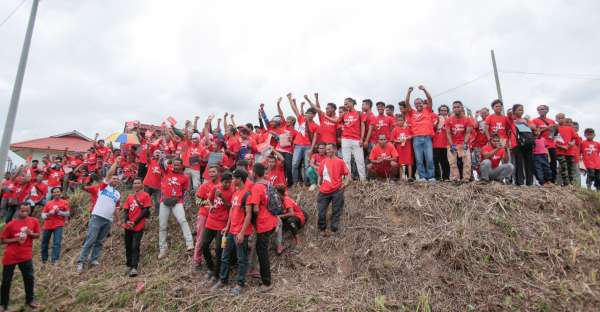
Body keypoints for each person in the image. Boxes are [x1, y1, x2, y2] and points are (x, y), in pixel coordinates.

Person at [77, 158, 122, 273]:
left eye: (117, 179)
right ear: (110, 179)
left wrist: (118, 220)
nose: (115, 180)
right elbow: (109, 173)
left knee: (100, 241)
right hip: (97, 217)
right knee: (91, 239)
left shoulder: (117, 194)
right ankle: (81, 261)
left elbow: (116, 208)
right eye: (114, 178)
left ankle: (93, 260)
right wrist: (116, 163)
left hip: (108, 220)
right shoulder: (103, 187)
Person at [215, 169, 253, 295]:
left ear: (239, 179)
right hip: (231, 231)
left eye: (234, 179)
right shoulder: (236, 192)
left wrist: (242, 233)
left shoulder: (247, 194)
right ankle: (223, 280)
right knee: (224, 256)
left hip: (240, 232)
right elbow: (232, 210)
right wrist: (227, 226)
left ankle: (239, 283)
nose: (232, 181)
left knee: (241, 258)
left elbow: (248, 215)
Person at [0, 203, 41, 311]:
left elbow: (38, 235)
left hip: (26, 255)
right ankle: (3, 304)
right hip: (11, 255)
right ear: (18, 210)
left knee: (29, 278)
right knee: (6, 280)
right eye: (22, 211)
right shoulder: (11, 224)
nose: (25, 213)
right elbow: (2, 240)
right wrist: (16, 240)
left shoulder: (34, 221)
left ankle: (30, 300)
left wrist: (30, 233)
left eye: (27, 211)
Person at [247, 163, 279, 292]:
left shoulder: (257, 187)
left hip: (263, 223)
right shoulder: (268, 183)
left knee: (262, 253)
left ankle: (267, 283)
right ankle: (262, 276)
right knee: (262, 250)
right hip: (272, 221)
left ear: (254, 173)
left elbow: (255, 209)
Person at [158, 158, 194, 259]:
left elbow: (185, 191)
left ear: (182, 166)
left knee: (182, 220)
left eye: (178, 165)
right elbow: (160, 163)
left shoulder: (185, 177)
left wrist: (181, 200)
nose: (176, 166)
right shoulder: (167, 171)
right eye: (174, 164)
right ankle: (162, 249)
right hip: (164, 201)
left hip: (177, 201)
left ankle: (190, 244)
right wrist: (168, 161)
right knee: (162, 225)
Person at [202, 172, 234, 283]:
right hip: (211, 221)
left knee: (219, 249)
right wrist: (210, 206)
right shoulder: (216, 188)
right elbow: (209, 200)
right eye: (226, 182)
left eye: (229, 182)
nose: (228, 184)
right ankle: (210, 268)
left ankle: (217, 274)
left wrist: (222, 197)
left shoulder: (232, 191)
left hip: (222, 223)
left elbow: (230, 207)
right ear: (221, 181)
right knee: (204, 245)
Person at [405, 86, 437, 181]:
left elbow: (430, 99)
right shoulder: (412, 113)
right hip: (416, 138)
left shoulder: (428, 110)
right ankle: (422, 176)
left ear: (423, 104)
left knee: (429, 159)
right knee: (419, 159)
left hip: (427, 138)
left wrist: (424, 90)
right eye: (416, 103)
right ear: (414, 105)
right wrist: (409, 92)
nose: (418, 104)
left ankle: (431, 176)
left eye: (420, 103)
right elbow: (407, 103)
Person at [121, 178, 152, 277]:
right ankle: (128, 264)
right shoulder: (129, 196)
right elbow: (126, 210)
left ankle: (134, 267)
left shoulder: (146, 195)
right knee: (128, 245)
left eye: (138, 183)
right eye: (134, 183)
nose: (136, 184)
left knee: (135, 245)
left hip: (138, 225)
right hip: (128, 225)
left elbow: (145, 211)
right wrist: (127, 221)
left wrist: (134, 222)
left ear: (142, 185)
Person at [317, 143, 350, 234]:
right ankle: (322, 228)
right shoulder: (323, 161)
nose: (327, 151)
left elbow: (347, 174)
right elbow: (320, 174)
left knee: (336, 210)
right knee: (321, 211)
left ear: (334, 150)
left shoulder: (340, 161)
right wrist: (318, 183)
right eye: (326, 149)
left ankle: (333, 229)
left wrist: (345, 183)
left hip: (337, 190)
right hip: (324, 191)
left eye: (329, 149)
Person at [287, 94, 318, 186]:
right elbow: (294, 109)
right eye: (308, 113)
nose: (310, 115)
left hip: (308, 146)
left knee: (306, 165)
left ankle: (306, 183)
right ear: (306, 114)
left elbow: (315, 138)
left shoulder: (315, 125)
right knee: (294, 164)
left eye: (312, 114)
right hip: (298, 145)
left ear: (314, 115)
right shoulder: (301, 119)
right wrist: (289, 99)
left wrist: (312, 149)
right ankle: (295, 183)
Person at [194, 165, 220, 268]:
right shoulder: (204, 186)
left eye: (213, 172)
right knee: (200, 238)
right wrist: (209, 203)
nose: (211, 174)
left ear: (218, 173)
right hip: (204, 214)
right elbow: (197, 201)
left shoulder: (222, 185)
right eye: (210, 172)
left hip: (218, 217)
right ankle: (197, 260)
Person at [445, 101, 474, 182]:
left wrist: (465, 143)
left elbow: (468, 133)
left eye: (458, 107)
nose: (456, 108)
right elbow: (448, 133)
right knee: (452, 162)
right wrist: (451, 145)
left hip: (463, 143)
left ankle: (466, 178)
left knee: (467, 161)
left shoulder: (467, 119)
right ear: (452, 109)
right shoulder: (448, 120)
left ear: (462, 108)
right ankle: (455, 178)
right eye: (454, 107)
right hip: (452, 143)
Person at [339, 98, 366, 181]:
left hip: (356, 139)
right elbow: (337, 121)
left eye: (346, 103)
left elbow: (363, 126)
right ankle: (348, 179)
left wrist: (361, 138)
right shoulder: (344, 114)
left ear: (352, 103)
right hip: (345, 139)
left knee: (360, 160)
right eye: (344, 104)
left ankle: (363, 180)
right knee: (346, 161)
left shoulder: (360, 113)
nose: (345, 105)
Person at [40, 187, 70, 264]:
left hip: (59, 225)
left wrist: (59, 212)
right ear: (52, 194)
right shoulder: (48, 203)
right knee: (45, 242)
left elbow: (68, 213)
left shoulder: (64, 202)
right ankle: (44, 259)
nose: (56, 193)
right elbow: (43, 216)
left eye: (58, 192)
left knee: (57, 242)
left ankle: (55, 259)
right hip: (48, 225)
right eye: (55, 192)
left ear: (61, 192)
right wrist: (49, 213)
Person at [531, 105, 558, 183]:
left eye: (542, 109)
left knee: (553, 163)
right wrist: (547, 128)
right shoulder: (535, 120)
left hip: (551, 144)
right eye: (538, 109)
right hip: (540, 146)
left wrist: (555, 129)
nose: (540, 111)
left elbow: (555, 133)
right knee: (542, 164)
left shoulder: (552, 121)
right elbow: (535, 132)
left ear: (547, 110)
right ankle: (543, 180)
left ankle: (553, 180)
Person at [509, 104, 535, 186]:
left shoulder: (525, 120)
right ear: (514, 111)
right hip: (517, 144)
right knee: (518, 163)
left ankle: (529, 182)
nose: (521, 111)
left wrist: (526, 123)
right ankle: (520, 182)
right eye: (519, 110)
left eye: (522, 109)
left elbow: (534, 127)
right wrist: (516, 121)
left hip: (528, 143)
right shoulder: (511, 119)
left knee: (529, 163)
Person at [555, 114, 578, 186]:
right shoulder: (555, 128)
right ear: (556, 119)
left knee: (570, 168)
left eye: (562, 118)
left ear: (565, 118)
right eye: (559, 118)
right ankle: (566, 184)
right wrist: (561, 146)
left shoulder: (570, 128)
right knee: (563, 167)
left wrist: (571, 143)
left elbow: (574, 138)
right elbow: (552, 140)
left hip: (570, 152)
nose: (561, 119)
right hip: (560, 151)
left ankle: (571, 183)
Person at [432, 105, 450, 181]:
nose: (443, 112)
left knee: (445, 162)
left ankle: (446, 177)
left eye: (445, 110)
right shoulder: (435, 118)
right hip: (435, 144)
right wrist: (438, 122)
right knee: (435, 162)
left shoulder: (450, 119)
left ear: (447, 111)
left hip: (446, 144)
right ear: (439, 111)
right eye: (442, 110)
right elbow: (432, 128)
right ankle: (437, 177)